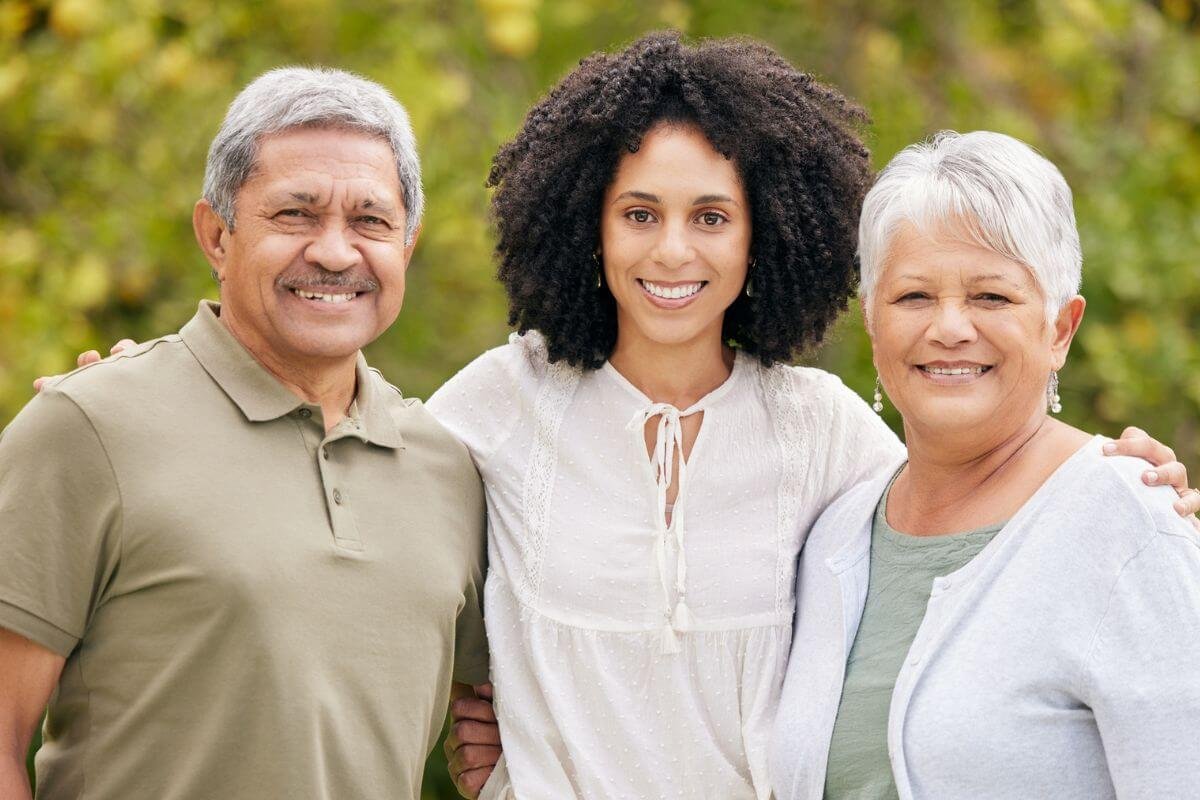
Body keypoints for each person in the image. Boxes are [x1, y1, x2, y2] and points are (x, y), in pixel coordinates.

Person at [427, 33, 1198, 799]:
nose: (671, 250)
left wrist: (1140, 489)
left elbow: (992, 478)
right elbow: (378, 532)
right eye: (638, 213)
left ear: (762, 232)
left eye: (711, 217)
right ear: (586, 224)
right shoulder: (499, 403)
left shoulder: (825, 434)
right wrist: (502, 729)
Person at [0, 67, 488, 800]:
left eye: (371, 221)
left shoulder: (448, 466)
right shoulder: (89, 427)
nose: (334, 251)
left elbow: (503, 716)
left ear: (407, 247)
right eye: (295, 214)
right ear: (217, 236)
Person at [769, 131, 1200, 799]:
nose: (949, 327)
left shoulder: (1129, 521)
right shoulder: (833, 534)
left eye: (991, 297)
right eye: (914, 296)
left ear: (1060, 329)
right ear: (873, 322)